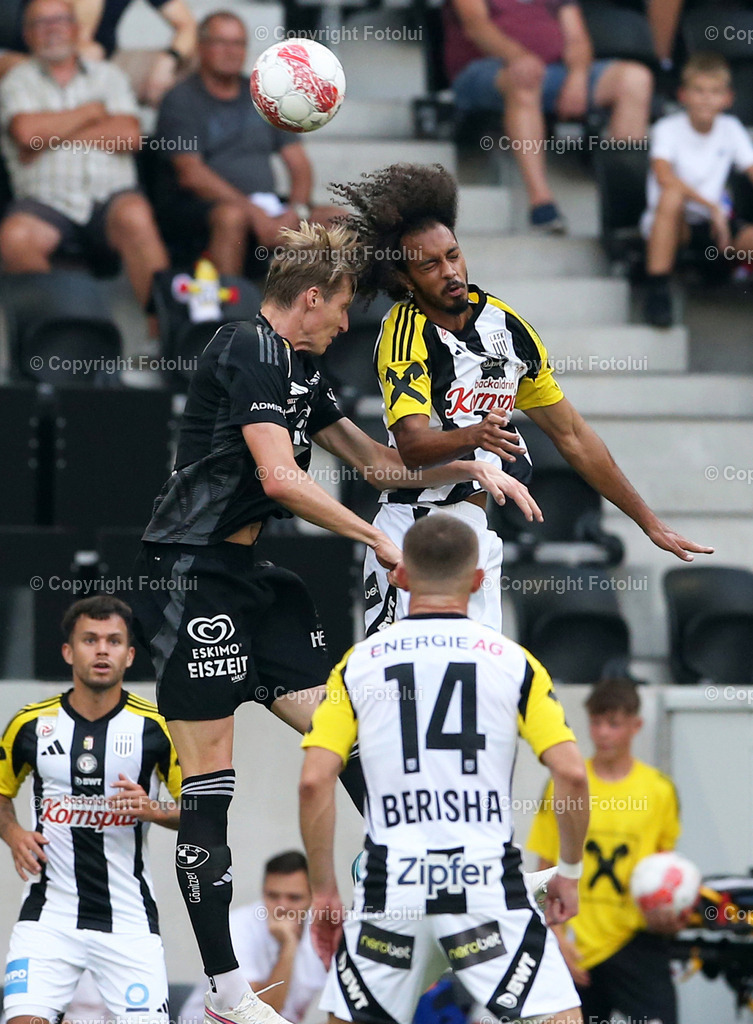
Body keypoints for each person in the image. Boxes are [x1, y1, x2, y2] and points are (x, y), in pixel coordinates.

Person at [131, 221, 541, 1024]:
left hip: (254, 583)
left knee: (348, 737)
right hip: (189, 576)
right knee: (211, 784)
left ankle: (434, 866)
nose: (348, 324)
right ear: (310, 298)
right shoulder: (243, 346)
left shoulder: (303, 374)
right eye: (344, 307)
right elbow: (280, 478)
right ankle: (223, 989)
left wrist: (470, 463)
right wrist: (376, 539)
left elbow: (380, 465)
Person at [331, 162, 714, 636]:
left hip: (474, 532)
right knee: (398, 692)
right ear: (406, 278)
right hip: (412, 532)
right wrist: (476, 435)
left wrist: (647, 522)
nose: (449, 271)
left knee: (476, 691)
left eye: (453, 255)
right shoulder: (403, 332)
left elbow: (572, 435)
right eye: (430, 265)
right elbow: (410, 446)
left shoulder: (508, 327)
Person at [298, 513, 589, 1024]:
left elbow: (314, 779)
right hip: (484, 881)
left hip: (394, 882)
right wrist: (568, 872)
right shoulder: (513, 662)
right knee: (555, 1016)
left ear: (400, 576)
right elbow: (572, 774)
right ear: (478, 580)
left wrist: (324, 891)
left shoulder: (359, 664)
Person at [0, 596, 181, 1024]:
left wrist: (154, 809)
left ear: (130, 654)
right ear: (68, 651)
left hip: (129, 921)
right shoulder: (30, 724)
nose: (102, 650)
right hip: (47, 918)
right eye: (90, 639)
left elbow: (203, 811)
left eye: (114, 641)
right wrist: (12, 833)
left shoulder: (156, 727)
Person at [0, 0, 170, 347]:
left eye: (61, 20)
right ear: (27, 35)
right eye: (41, 22)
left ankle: (165, 339)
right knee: (15, 237)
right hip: (44, 202)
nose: (53, 28)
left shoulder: (110, 76)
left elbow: (129, 136)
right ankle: (52, 340)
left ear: (77, 29)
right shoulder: (15, 80)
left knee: (137, 216)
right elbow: (25, 133)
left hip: (111, 198)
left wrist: (53, 131)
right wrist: (92, 112)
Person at [527, 677, 684, 1024]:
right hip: (575, 945)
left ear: (636, 726)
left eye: (614, 723)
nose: (603, 733)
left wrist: (671, 916)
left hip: (636, 942)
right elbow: (544, 867)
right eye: (596, 722)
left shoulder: (658, 791)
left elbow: (666, 872)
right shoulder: (566, 782)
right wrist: (555, 938)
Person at [154, 11, 340, 276]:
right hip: (203, 211)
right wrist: (253, 213)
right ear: (201, 47)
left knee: (336, 219)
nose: (231, 52)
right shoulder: (181, 99)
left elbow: (298, 163)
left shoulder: (264, 93)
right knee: (232, 218)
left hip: (268, 206)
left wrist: (295, 211)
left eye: (238, 43)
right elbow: (191, 174)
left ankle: (328, 315)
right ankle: (229, 315)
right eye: (222, 42)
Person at [442, 0, 653, 232]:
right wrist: (518, 56)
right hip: (484, 69)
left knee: (635, 79)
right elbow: (476, 25)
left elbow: (577, 38)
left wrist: (578, 76)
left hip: (553, 70)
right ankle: (541, 203)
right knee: (525, 79)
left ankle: (625, 211)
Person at [641, 51, 753, 327]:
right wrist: (712, 206)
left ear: (727, 98)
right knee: (671, 196)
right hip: (673, 224)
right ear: (683, 95)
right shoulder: (667, 128)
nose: (706, 98)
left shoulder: (731, 127)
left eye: (715, 91)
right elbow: (664, 176)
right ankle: (657, 290)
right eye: (699, 90)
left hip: (714, 226)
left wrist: (717, 213)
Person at [180, 851, 328, 1024]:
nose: (282, 907)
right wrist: (289, 946)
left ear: (313, 898)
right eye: (272, 896)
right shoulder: (237, 927)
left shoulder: (325, 933)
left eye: (294, 898)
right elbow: (251, 1016)